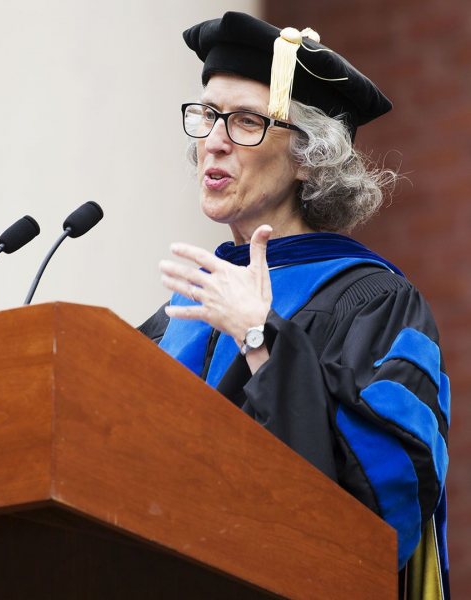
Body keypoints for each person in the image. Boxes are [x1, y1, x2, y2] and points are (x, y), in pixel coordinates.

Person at [138, 12, 450, 599]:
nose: (215, 139)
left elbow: (390, 500)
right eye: (207, 116)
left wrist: (261, 340)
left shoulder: (374, 301)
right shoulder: (185, 309)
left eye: (248, 121)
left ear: (310, 156)